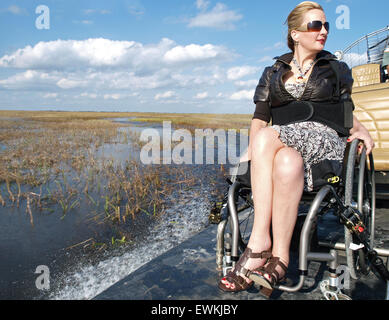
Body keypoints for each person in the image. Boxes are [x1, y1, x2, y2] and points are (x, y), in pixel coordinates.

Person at [218, 1, 375, 296]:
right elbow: (259, 119)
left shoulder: (336, 69)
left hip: (324, 141)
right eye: (316, 25)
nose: (324, 30)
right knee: (286, 161)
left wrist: (361, 129)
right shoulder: (271, 72)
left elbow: (345, 112)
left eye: (326, 24)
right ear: (295, 34)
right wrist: (250, 151)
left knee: (266, 139)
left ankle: (257, 242)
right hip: (286, 144)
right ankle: (280, 258)